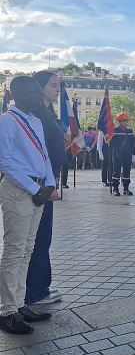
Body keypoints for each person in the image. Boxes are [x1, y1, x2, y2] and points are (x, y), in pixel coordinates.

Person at [0, 76, 59, 333]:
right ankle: (6, 311)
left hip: (37, 191)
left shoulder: (34, 121)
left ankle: (20, 304)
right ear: (17, 95)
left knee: (27, 250)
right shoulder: (8, 121)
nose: (38, 97)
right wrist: (36, 188)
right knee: (14, 251)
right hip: (18, 191)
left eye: (39, 92)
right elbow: (5, 161)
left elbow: (44, 155)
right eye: (33, 93)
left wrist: (50, 185)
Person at [25, 70, 69, 308]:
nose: (57, 89)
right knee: (40, 238)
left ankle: (37, 286)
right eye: (53, 85)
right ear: (40, 88)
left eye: (58, 85)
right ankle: (36, 290)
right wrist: (51, 184)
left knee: (41, 237)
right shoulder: (37, 116)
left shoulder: (46, 114)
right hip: (42, 185)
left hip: (47, 181)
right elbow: (43, 153)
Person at [111, 112, 135, 196]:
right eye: (122, 121)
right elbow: (110, 143)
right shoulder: (114, 131)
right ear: (119, 121)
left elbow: (132, 143)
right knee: (116, 171)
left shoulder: (130, 131)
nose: (124, 122)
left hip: (127, 154)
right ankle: (115, 188)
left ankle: (126, 188)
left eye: (126, 121)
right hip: (117, 154)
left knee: (127, 171)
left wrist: (133, 154)